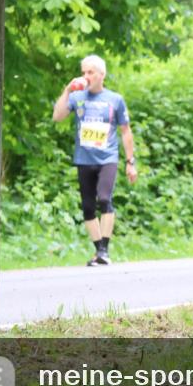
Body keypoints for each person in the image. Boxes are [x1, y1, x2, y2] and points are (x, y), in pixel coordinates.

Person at [52, 54, 137, 266]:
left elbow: (125, 131)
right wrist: (67, 90)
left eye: (90, 72)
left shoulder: (114, 100)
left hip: (107, 158)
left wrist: (130, 162)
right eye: (83, 72)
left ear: (102, 74)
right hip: (84, 159)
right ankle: (99, 251)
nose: (86, 76)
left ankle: (104, 250)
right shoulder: (77, 97)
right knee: (88, 207)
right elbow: (57, 116)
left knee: (105, 199)